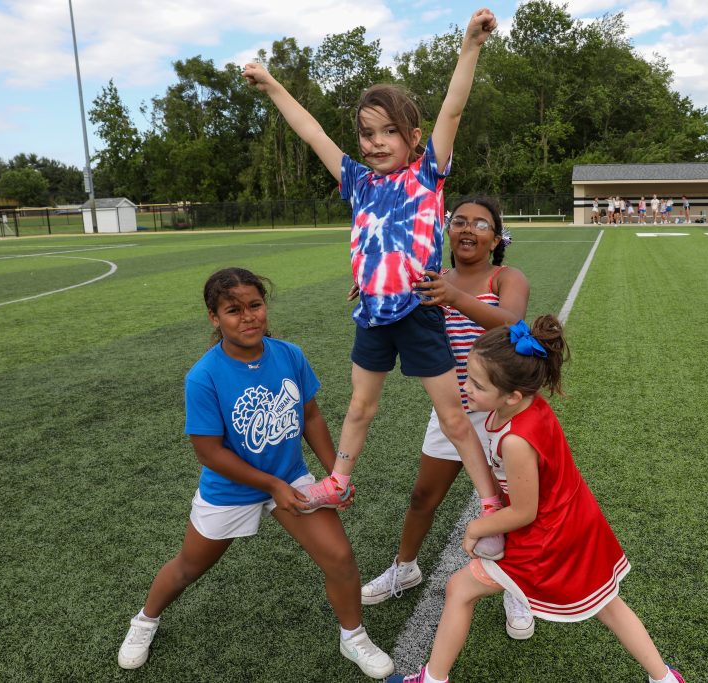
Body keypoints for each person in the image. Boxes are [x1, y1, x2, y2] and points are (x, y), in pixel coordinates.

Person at [242, 9, 503, 536]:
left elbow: (452, 110)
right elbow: (311, 131)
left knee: (453, 418)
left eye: (388, 132)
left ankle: (491, 500)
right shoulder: (358, 183)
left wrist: (470, 47)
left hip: (420, 311)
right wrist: (272, 85)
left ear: (412, 136)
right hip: (372, 313)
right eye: (366, 134)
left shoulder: (428, 172)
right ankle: (339, 480)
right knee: (360, 406)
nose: (375, 143)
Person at [116, 268, 395, 678]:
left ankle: (353, 638)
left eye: (255, 306)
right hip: (231, 489)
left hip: (289, 475)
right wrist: (270, 485)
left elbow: (311, 416)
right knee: (188, 567)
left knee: (339, 558)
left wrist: (336, 475)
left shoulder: (289, 354)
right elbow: (208, 452)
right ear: (214, 317)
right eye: (233, 310)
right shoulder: (204, 376)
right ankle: (144, 620)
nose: (247, 317)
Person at [387, 317, 685, 683]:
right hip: (575, 521)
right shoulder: (526, 406)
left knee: (459, 589)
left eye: (477, 385)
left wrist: (478, 526)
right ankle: (665, 678)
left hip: (548, 537)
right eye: (467, 376)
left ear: (512, 395)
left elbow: (525, 512)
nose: (465, 388)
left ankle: (432, 680)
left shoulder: (515, 440)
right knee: (607, 604)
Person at [361, 196, 534, 639]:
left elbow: (511, 325)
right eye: (459, 221)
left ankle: (515, 584)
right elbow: (390, 305)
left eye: (481, 224)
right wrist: (372, 288)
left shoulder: (506, 277)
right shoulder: (430, 279)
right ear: (447, 230)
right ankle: (405, 568)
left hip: (502, 417)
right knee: (422, 497)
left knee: (510, 507)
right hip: (452, 413)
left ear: (496, 238)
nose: (468, 229)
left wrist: (454, 297)